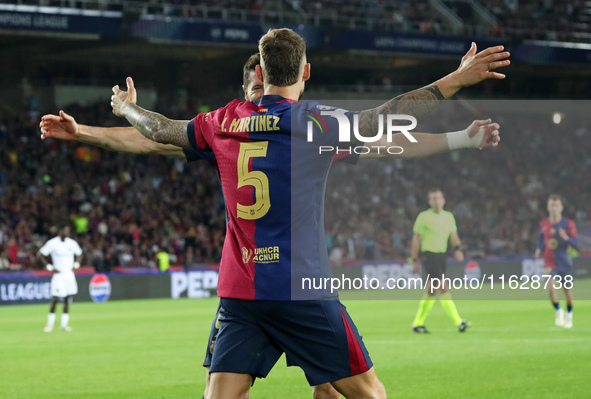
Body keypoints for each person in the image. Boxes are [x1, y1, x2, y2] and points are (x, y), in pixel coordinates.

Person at [41, 40, 508, 398]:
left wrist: (112, 114)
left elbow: (155, 133)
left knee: (303, 389)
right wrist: (456, 86)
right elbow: (392, 124)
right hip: (300, 288)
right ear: (304, 72)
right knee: (366, 392)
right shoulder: (317, 123)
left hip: (243, 292)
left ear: (261, 75)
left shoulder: (222, 122)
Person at [410, 189, 469, 334]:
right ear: (429, 201)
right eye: (433, 198)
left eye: (438, 198)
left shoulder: (448, 217)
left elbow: (454, 235)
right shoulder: (423, 217)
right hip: (429, 255)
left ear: (444, 200)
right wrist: (415, 260)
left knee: (431, 290)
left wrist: (457, 249)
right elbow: (416, 239)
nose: (436, 201)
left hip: (441, 256)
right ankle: (459, 322)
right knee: (443, 287)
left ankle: (418, 323)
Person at [534, 194, 578, 329]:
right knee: (551, 287)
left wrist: (567, 238)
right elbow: (541, 239)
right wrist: (538, 249)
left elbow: (575, 242)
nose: (554, 208)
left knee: (567, 291)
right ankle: (559, 310)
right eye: (551, 206)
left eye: (556, 206)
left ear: (561, 208)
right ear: (548, 208)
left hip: (564, 262)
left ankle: (569, 314)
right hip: (549, 262)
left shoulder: (568, 224)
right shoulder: (543, 224)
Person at [38, 224, 83, 332]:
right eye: (66, 231)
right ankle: (50, 324)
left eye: (68, 231)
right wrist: (49, 266)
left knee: (67, 299)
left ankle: (64, 324)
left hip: (69, 275)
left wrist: (77, 263)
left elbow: (80, 254)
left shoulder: (72, 243)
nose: (68, 233)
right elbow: (40, 254)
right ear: (61, 231)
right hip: (58, 275)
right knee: (55, 299)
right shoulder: (52, 243)